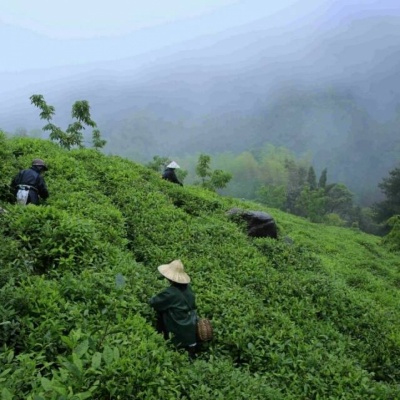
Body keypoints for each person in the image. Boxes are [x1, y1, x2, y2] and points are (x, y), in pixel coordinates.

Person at [149, 259, 197, 358]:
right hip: (191, 329)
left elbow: (153, 303)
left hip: (177, 330)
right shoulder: (188, 289)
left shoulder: (170, 293)